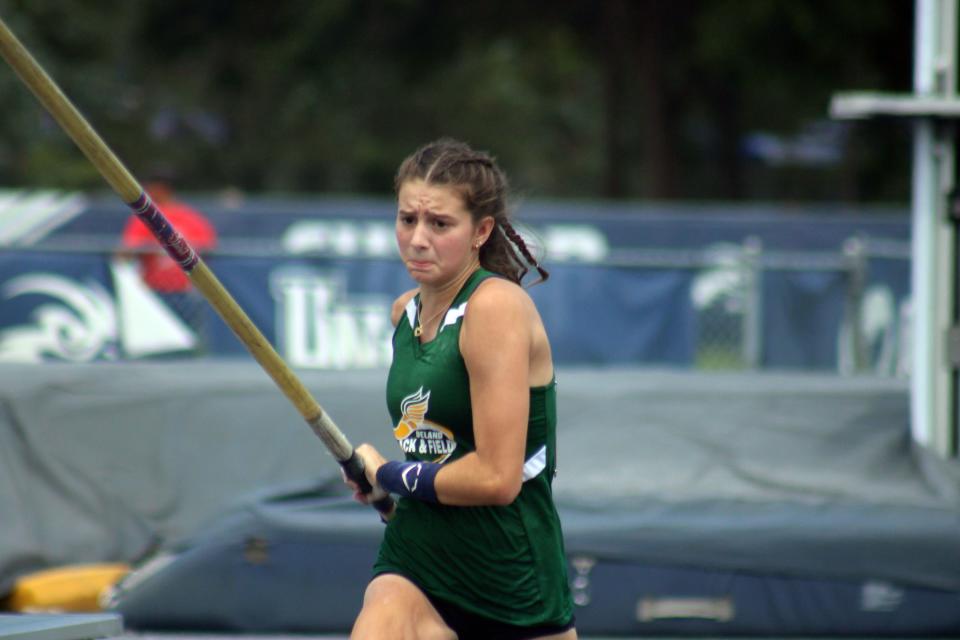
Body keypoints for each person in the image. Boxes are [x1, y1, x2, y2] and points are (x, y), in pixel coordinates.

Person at [345, 138, 577, 640]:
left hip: (511, 586)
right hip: (417, 560)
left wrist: (387, 473)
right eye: (407, 220)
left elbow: (497, 478)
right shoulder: (403, 314)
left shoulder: (496, 308)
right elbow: (436, 449)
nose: (418, 239)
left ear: (481, 231)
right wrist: (393, 480)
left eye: (440, 224)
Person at [119, 180, 217, 348]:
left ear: (161, 188)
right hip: (154, 290)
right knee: (155, 344)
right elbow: (125, 251)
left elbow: (209, 247)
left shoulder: (187, 217)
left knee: (187, 342)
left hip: (184, 290)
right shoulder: (146, 217)